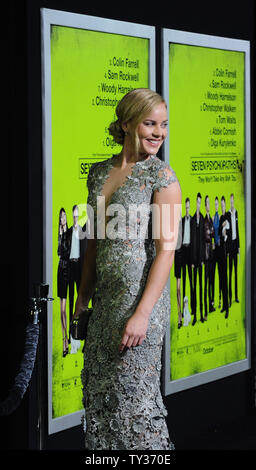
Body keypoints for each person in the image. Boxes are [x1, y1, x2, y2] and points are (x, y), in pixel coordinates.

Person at [74, 88, 181, 450]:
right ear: (126, 124)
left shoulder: (162, 177)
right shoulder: (99, 172)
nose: (158, 133)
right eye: (150, 123)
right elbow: (93, 245)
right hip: (104, 307)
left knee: (137, 407)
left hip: (142, 308)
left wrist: (142, 315)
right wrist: (82, 302)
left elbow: (166, 251)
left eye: (163, 125)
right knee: (102, 404)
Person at [68, 205, 88, 342]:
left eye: (77, 216)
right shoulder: (69, 232)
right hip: (72, 268)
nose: (75, 218)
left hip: (83, 269)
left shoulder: (84, 231)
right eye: (74, 216)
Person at [191, 193, 205, 325]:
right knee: (194, 288)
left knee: (201, 287)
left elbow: (203, 241)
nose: (199, 205)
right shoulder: (192, 220)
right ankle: (194, 315)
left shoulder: (202, 220)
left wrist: (202, 259)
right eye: (198, 202)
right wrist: (192, 261)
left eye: (200, 203)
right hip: (193, 261)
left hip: (201, 260)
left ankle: (201, 313)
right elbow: (191, 241)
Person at [57, 208, 70, 357]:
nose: (63, 218)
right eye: (61, 217)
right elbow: (59, 252)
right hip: (61, 269)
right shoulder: (61, 234)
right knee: (62, 309)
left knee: (69, 307)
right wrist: (60, 235)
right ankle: (64, 340)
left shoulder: (71, 232)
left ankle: (70, 339)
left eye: (64, 216)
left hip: (71, 269)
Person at [219, 196, 230, 318]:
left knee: (225, 280)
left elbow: (230, 232)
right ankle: (223, 306)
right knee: (221, 280)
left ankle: (227, 307)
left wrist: (225, 230)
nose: (222, 207)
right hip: (219, 252)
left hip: (226, 252)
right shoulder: (221, 218)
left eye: (222, 205)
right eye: (220, 205)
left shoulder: (227, 217)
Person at [203, 195, 215, 320]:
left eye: (209, 203)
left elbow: (212, 236)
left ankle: (211, 303)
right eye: (206, 203)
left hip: (212, 254)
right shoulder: (203, 221)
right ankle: (205, 308)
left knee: (211, 281)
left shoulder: (210, 220)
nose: (208, 206)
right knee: (205, 282)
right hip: (205, 256)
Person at [182, 197, 193, 316]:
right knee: (184, 281)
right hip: (183, 251)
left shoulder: (193, 220)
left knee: (191, 281)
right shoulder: (182, 220)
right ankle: (184, 311)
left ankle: (192, 309)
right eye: (186, 207)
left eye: (189, 207)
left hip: (190, 252)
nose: (187, 209)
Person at [229, 193, 240, 306]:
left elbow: (237, 229)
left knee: (236, 272)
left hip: (235, 245)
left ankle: (236, 296)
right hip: (229, 246)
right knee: (230, 272)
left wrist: (239, 246)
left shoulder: (236, 212)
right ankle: (230, 296)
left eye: (233, 201)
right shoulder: (227, 214)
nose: (232, 203)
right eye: (231, 201)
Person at [212, 196, 221, 309]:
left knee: (220, 275)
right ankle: (213, 300)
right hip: (213, 250)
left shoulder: (221, 218)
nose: (216, 206)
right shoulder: (213, 217)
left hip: (220, 249)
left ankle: (219, 300)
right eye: (215, 204)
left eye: (217, 204)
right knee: (213, 276)